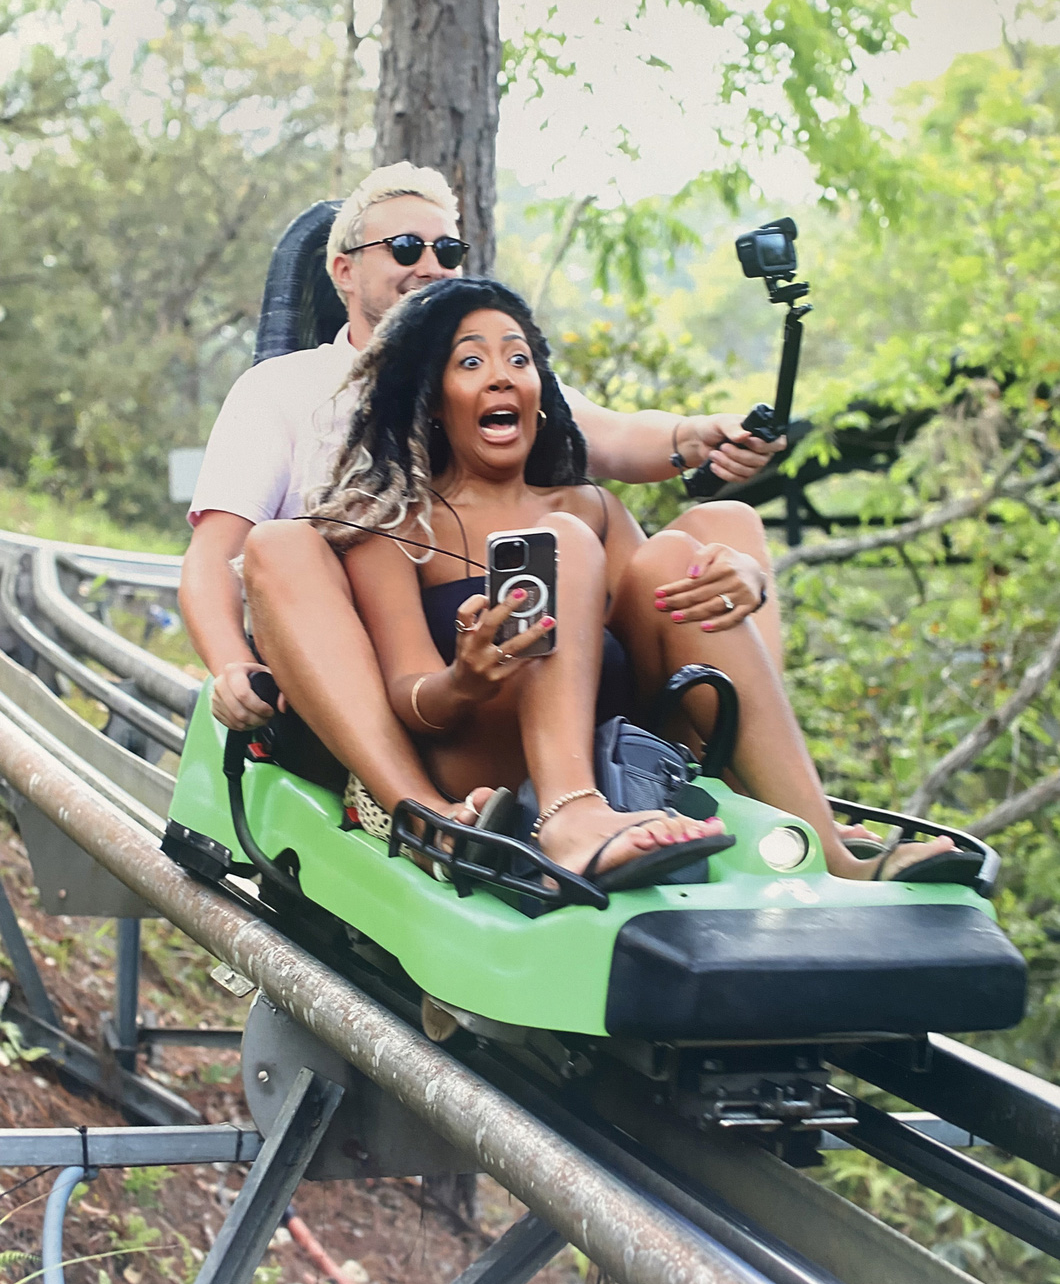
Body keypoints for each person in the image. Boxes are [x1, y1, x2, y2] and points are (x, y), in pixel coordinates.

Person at [180, 162, 783, 834]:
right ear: (344, 272)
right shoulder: (282, 391)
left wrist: (691, 436)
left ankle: (763, 793)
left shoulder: (499, 380)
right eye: (406, 248)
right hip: (377, 661)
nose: (431, 264)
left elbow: (609, 432)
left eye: (448, 251)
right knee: (284, 543)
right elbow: (214, 556)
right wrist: (231, 664)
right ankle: (419, 809)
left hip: (539, 650)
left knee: (723, 524)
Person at [307, 277, 959, 883]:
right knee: (562, 541)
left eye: (518, 360)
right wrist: (464, 679)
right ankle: (567, 815)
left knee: (712, 531)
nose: (502, 378)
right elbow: (406, 695)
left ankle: (816, 836)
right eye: (471, 362)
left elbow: (666, 618)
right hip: (483, 765)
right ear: (430, 396)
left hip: (614, 745)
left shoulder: (587, 508)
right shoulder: (391, 525)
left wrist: (741, 581)